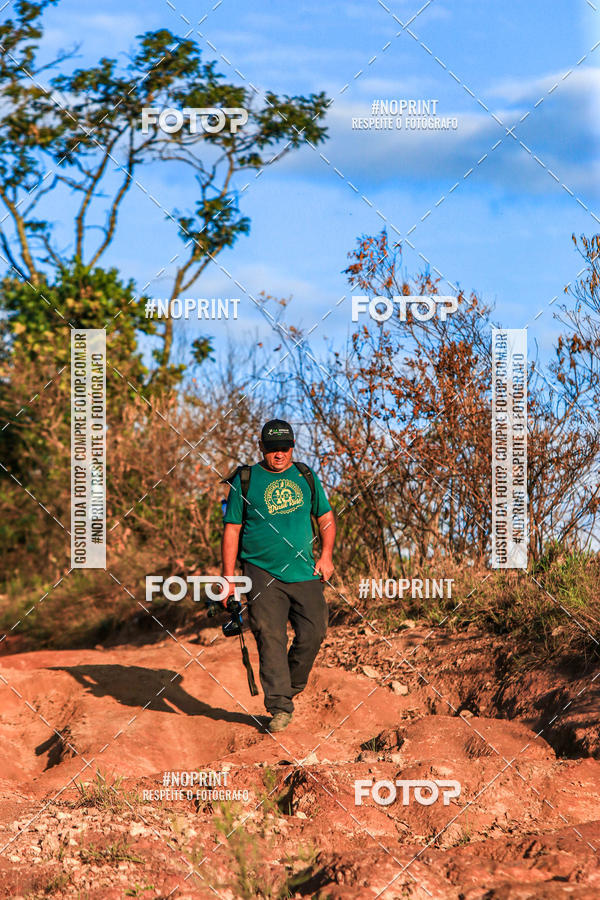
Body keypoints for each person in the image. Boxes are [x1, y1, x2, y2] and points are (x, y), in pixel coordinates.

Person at [221, 419, 336, 732]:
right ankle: (280, 707)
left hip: (304, 570)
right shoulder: (245, 480)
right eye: (272, 449)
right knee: (270, 637)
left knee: (314, 631)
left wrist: (326, 556)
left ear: (292, 447)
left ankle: (290, 684)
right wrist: (229, 578)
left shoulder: (305, 476)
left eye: (284, 448)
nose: (279, 454)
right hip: (260, 572)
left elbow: (325, 517)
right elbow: (232, 529)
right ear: (262, 448)